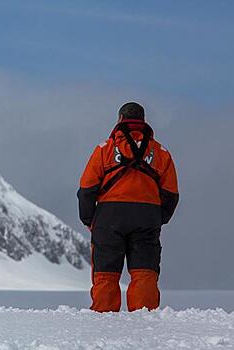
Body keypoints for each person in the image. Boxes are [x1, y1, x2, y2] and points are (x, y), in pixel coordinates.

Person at [77, 102, 179, 312]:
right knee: (145, 273)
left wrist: (89, 219)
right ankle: (144, 321)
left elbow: (87, 188)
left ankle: (104, 321)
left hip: (109, 216)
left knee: (106, 273)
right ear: (143, 121)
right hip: (147, 216)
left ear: (120, 119)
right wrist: (157, 219)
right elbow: (171, 194)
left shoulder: (104, 149)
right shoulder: (161, 152)